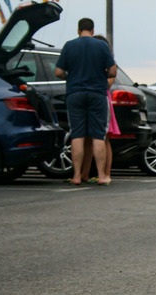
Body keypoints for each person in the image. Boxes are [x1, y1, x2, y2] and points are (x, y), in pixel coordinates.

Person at [55, 18, 116, 186]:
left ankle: (76, 175)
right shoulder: (102, 46)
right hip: (97, 93)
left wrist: (70, 77)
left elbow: (58, 71)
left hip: (75, 93)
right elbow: (112, 70)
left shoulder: (69, 45)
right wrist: (103, 77)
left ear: (78, 30)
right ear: (93, 30)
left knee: (77, 134)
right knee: (98, 135)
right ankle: (102, 176)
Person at [81, 34, 118, 184]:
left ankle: (106, 173)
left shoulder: (108, 65)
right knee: (89, 139)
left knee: (104, 137)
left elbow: (108, 83)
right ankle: (85, 173)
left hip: (103, 100)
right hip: (96, 99)